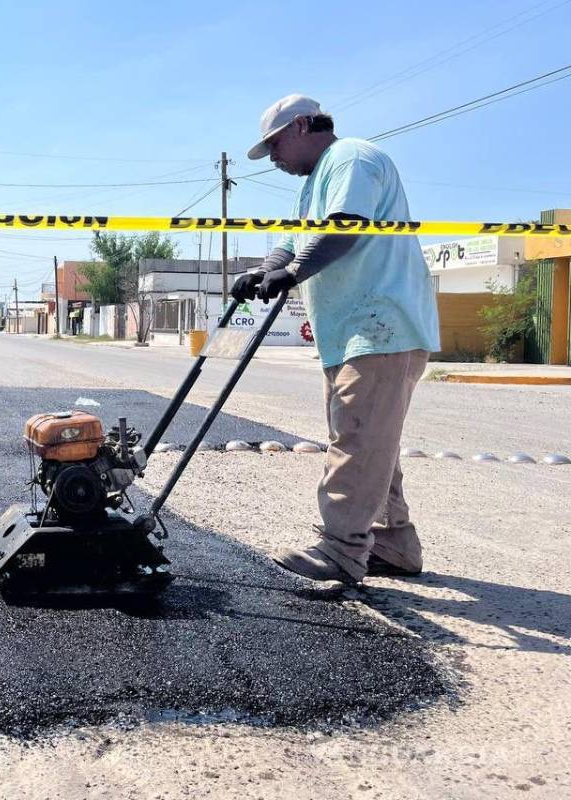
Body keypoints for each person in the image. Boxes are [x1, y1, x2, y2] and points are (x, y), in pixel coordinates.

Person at [234, 94, 440, 584]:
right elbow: (290, 243)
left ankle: (343, 551)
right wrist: (263, 272)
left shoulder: (351, 157)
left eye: (276, 144)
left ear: (303, 126)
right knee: (369, 439)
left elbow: (346, 227)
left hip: (381, 326)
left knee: (357, 438)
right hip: (353, 331)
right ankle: (394, 542)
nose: (275, 158)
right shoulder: (312, 186)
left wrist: (294, 273)